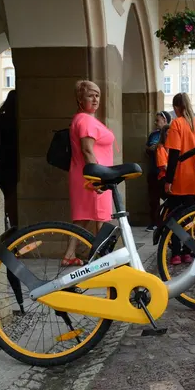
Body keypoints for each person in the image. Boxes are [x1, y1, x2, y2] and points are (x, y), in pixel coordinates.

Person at [63, 80, 115, 266]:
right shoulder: (85, 120)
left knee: (83, 218)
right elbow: (87, 149)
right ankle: (103, 259)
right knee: (101, 217)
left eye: (98, 95)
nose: (95, 99)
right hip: (93, 176)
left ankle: (69, 255)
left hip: (84, 175)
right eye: (90, 95)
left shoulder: (81, 118)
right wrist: (98, 178)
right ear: (79, 98)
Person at [165, 93, 195, 265]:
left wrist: (168, 180)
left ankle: (175, 253)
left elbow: (174, 154)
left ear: (175, 108)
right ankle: (188, 252)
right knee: (191, 217)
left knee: (176, 216)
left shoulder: (176, 123)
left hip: (180, 176)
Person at [0, 90, 18, 226]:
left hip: (2, 163)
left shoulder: (1, 119)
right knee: (12, 197)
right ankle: (14, 226)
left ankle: (8, 224)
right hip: (12, 163)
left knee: (7, 196)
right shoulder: (15, 120)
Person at [146, 110, 171, 231]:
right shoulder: (154, 135)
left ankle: (164, 221)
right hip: (154, 172)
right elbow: (149, 148)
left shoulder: (170, 132)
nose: (155, 123)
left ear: (164, 120)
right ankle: (154, 223)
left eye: (157, 120)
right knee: (153, 200)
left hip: (165, 174)